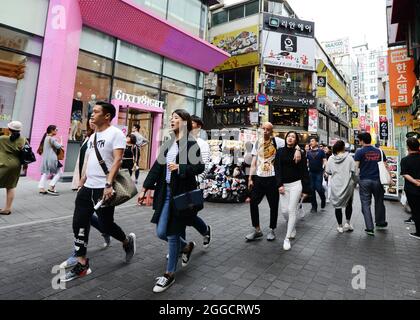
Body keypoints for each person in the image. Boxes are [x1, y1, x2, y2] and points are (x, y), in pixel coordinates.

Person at [61, 101, 136, 282]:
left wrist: (108, 185)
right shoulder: (95, 134)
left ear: (107, 116)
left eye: (95, 112)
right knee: (78, 222)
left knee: (106, 224)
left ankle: (127, 241)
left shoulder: (116, 133)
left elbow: (117, 161)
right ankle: (82, 262)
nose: (91, 115)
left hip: (104, 189)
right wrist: (83, 180)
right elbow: (92, 158)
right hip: (88, 187)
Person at [137, 109, 204, 293]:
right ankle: (187, 246)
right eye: (171, 117)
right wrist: (145, 188)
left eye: (176, 118)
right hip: (164, 192)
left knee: (173, 233)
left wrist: (180, 167)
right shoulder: (168, 143)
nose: (171, 120)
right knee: (160, 232)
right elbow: (157, 168)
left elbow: (199, 167)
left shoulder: (191, 143)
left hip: (180, 193)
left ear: (185, 122)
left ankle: (169, 274)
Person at [246, 122, 301, 242]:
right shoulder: (257, 143)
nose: (265, 131)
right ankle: (257, 229)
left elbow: (291, 143)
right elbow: (254, 162)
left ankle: (272, 229)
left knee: (273, 205)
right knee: (253, 202)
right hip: (259, 178)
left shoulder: (278, 141)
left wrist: (297, 149)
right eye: (263, 128)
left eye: (268, 129)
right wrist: (250, 178)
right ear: (260, 129)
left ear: (271, 131)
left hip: (272, 178)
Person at [274, 131, 310, 251]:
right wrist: (279, 184)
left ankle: (287, 238)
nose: (290, 138)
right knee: (284, 211)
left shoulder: (300, 153)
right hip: (284, 186)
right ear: (285, 138)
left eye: (293, 137)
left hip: (296, 185)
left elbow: (305, 171)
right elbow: (277, 169)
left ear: (296, 140)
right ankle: (292, 226)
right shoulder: (279, 152)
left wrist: (306, 189)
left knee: (291, 210)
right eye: (288, 136)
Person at [354, 132, 391, 236]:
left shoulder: (359, 152)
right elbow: (385, 165)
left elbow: (356, 169)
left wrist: (355, 180)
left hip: (364, 180)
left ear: (361, 141)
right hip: (377, 180)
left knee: (365, 204)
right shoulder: (379, 151)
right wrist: (391, 178)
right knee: (379, 201)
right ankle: (380, 222)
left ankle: (369, 228)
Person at [325, 140, 356, 233]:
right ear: (343, 148)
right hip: (348, 184)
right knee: (349, 204)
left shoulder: (331, 159)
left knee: (337, 206)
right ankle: (347, 223)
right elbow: (354, 171)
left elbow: (328, 171)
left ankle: (340, 226)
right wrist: (356, 181)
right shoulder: (349, 158)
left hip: (336, 185)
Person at [0, 121, 25, 215]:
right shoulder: (23, 139)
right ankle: (7, 209)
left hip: (3, 164)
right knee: (10, 186)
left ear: (9, 129)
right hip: (16, 165)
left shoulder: (2, 139)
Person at [400, 137, 420, 239]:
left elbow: (405, 174)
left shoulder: (405, 160)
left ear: (408, 147)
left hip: (411, 188)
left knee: (416, 210)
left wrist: (415, 182)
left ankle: (419, 232)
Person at [38, 125, 63, 196]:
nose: (57, 131)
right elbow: (58, 146)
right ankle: (51, 187)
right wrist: (60, 141)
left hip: (46, 159)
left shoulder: (46, 137)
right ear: (52, 130)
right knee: (60, 172)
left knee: (45, 173)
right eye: (56, 129)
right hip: (52, 159)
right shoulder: (52, 139)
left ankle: (41, 188)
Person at [307, 136, 327, 213]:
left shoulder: (321, 151)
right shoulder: (308, 152)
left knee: (318, 188)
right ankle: (314, 207)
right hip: (311, 173)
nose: (311, 142)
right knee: (312, 189)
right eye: (310, 141)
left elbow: (325, 161)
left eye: (312, 141)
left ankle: (323, 198)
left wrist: (326, 171)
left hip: (319, 172)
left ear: (316, 142)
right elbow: (307, 162)